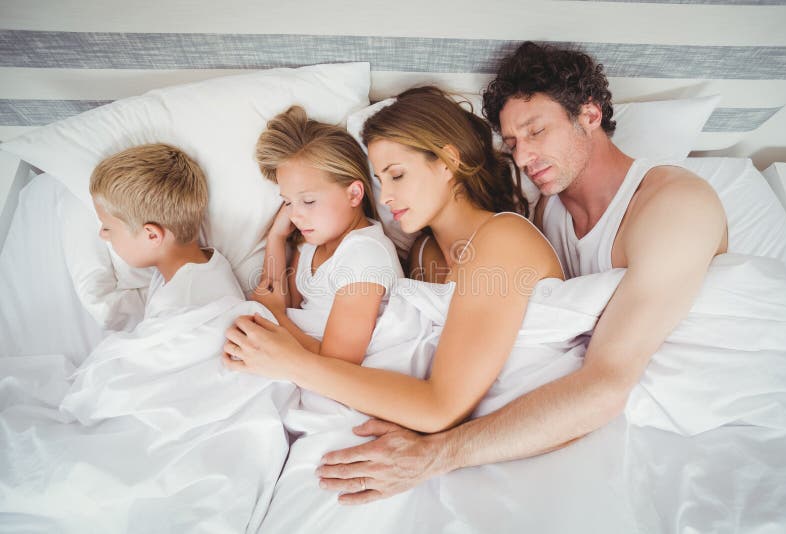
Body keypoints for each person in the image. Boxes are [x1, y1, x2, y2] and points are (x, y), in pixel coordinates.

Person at [312, 42, 733, 504]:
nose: (524, 156)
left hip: (715, 398)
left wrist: (435, 453)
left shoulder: (674, 205)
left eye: (537, 131)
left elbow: (606, 383)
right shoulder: (547, 211)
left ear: (590, 115)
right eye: (512, 143)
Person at [222, 87, 563, 434]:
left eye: (397, 175)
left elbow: (440, 406)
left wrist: (288, 357)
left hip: (531, 428)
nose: (385, 197)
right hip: (463, 431)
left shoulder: (503, 237)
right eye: (380, 179)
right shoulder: (423, 253)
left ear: (448, 162)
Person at [247, 105, 404, 364]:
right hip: (295, 360)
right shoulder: (311, 245)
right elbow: (275, 297)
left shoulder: (365, 253)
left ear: (353, 194)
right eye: (287, 202)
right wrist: (276, 237)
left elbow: (339, 364)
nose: (295, 215)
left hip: (331, 378)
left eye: (308, 201)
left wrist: (276, 317)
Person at [90, 142, 243, 316]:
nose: (102, 235)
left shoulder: (178, 305)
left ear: (152, 235)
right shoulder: (210, 266)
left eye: (108, 228)